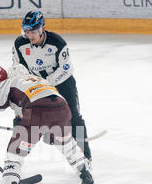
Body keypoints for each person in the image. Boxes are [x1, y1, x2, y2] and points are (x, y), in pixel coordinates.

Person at [0, 64, 95, 184]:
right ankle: (85, 175)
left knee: (14, 154)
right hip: (62, 108)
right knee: (67, 145)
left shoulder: (10, 81)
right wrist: (45, 130)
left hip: (36, 110)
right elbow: (41, 106)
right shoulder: (38, 80)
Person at [12, 10, 92, 165]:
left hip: (63, 85)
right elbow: (17, 68)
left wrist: (48, 83)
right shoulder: (19, 44)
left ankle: (86, 158)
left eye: (33, 32)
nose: (30, 35)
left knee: (74, 118)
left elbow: (67, 68)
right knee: (21, 118)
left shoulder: (57, 42)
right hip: (36, 86)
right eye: (27, 31)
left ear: (42, 28)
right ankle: (14, 162)